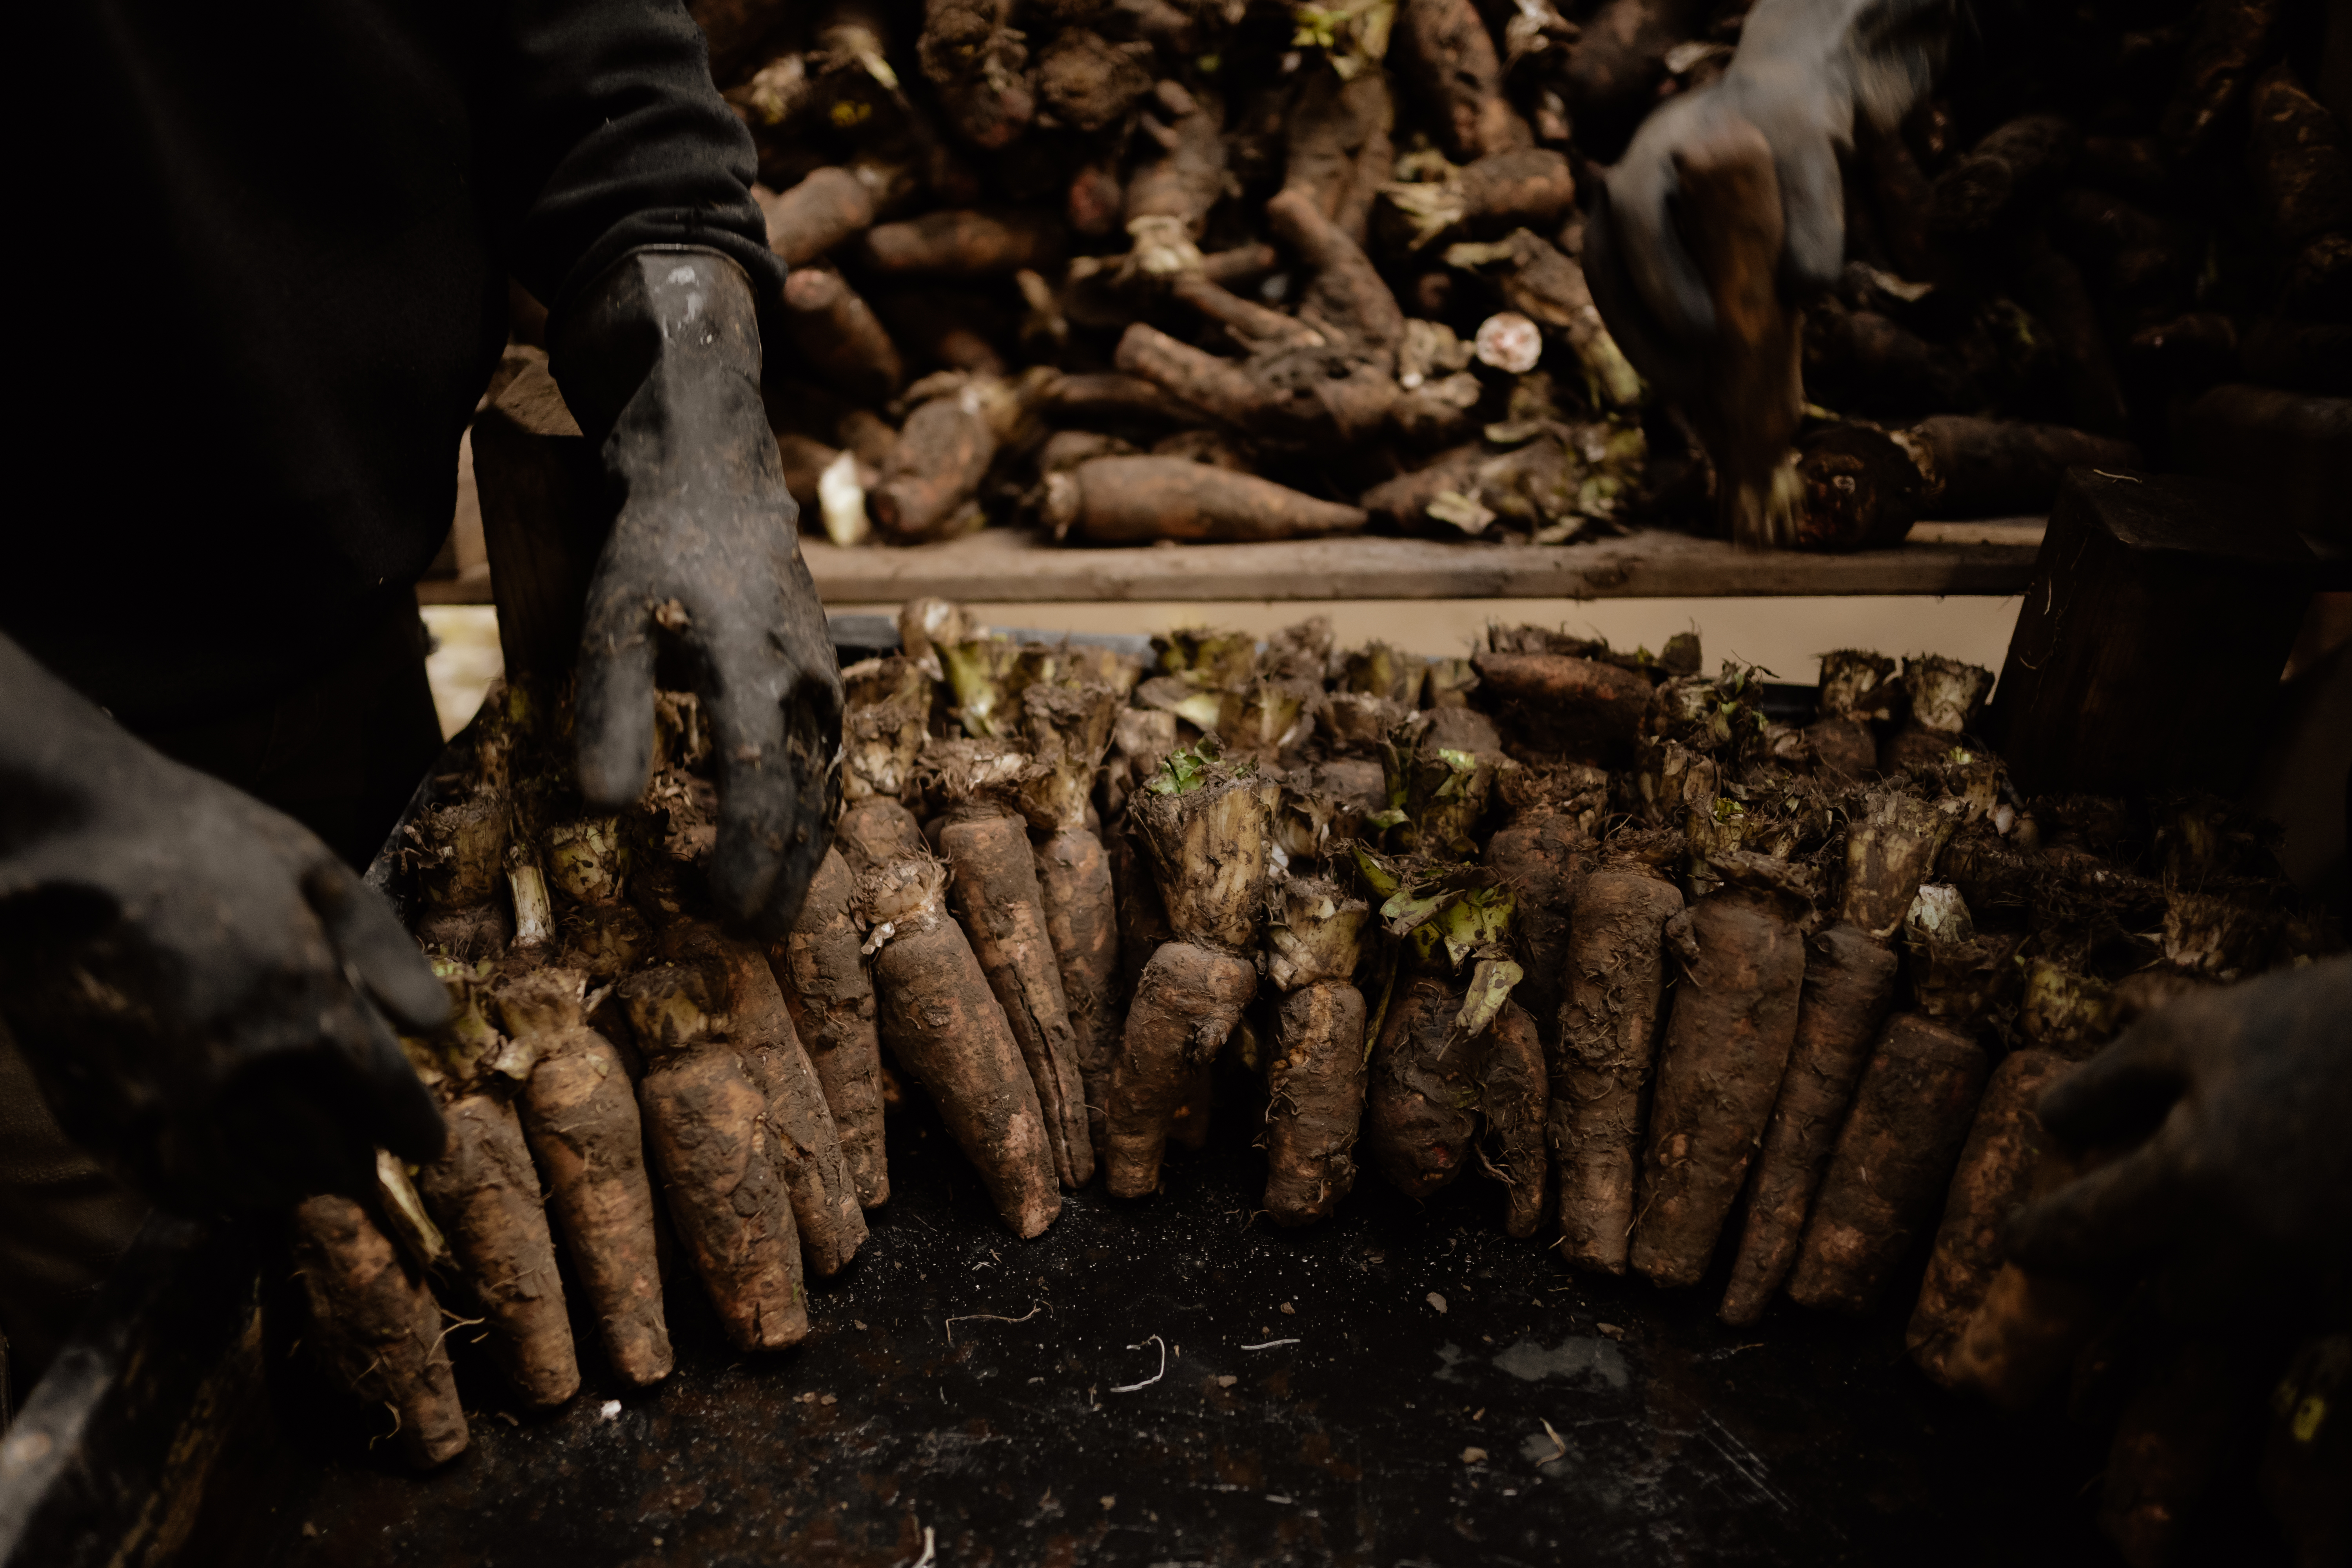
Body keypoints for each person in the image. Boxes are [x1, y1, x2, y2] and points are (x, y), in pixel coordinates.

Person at [1, 0, 840, 1399]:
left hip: (337, 654)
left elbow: (595, 61)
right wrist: (51, 813)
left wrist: (695, 406)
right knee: (192, 1394)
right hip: (37, 818)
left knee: (444, 1313)